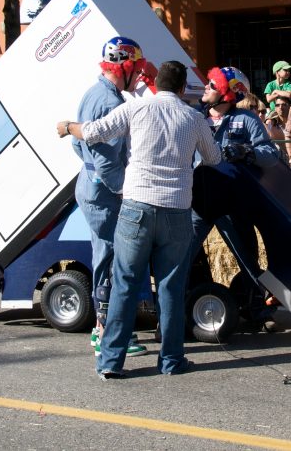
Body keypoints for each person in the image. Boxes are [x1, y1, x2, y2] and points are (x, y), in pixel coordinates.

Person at [57, 61, 222, 379]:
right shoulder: (194, 118)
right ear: (183, 87)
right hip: (176, 210)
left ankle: (111, 363)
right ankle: (172, 360)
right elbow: (213, 157)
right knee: (171, 287)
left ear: (156, 84)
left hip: (136, 208)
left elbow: (93, 132)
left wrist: (67, 126)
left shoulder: (137, 108)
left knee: (125, 283)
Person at [69, 36, 151, 357]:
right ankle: (108, 332)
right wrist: (125, 190)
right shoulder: (110, 103)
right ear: (125, 67)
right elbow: (105, 160)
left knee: (107, 254)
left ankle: (105, 328)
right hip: (104, 192)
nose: (140, 76)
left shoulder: (97, 93)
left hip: (91, 186)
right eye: (138, 69)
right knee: (113, 255)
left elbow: (79, 143)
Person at [189, 66, 281, 329]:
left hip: (233, 202)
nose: (206, 86)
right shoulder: (194, 117)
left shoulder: (248, 119)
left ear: (229, 92)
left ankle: (258, 313)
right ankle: (172, 315)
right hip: (199, 201)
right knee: (182, 257)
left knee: (248, 260)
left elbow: (271, 155)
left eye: (212, 84)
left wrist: (246, 151)